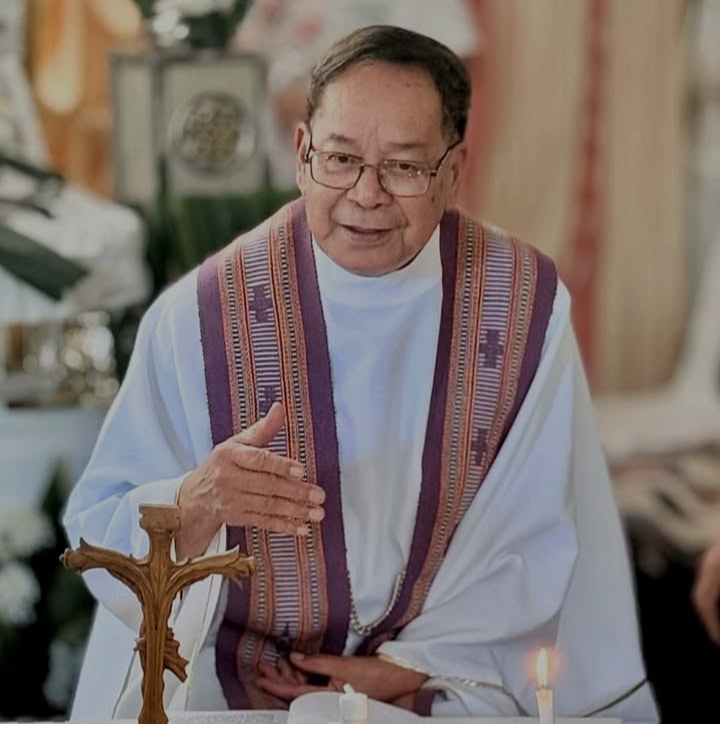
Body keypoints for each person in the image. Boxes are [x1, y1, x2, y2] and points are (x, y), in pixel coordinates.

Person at [63, 25, 658, 721]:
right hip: (222, 685)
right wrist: (196, 501)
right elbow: (100, 536)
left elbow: (537, 534)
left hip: (442, 683)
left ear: (454, 170)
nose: (366, 194)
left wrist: (410, 668)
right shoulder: (198, 317)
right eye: (341, 159)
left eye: (404, 166)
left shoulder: (522, 305)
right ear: (301, 155)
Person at [232, 0, 480, 191]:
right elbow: (233, 71)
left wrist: (329, 102)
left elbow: (449, 68)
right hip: (283, 185)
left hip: (382, 188)